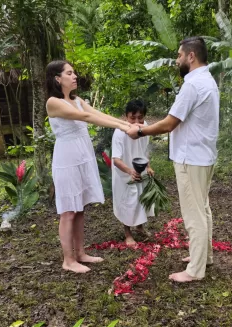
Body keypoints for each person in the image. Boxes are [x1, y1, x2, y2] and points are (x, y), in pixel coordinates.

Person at [127, 37, 220, 283]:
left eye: (179, 55)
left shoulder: (192, 85)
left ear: (191, 56)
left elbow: (169, 123)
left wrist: (140, 130)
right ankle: (203, 256)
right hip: (204, 156)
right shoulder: (208, 80)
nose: (177, 60)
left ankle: (195, 270)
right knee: (203, 208)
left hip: (192, 158)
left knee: (193, 214)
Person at [45, 60, 132, 273]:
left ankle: (81, 253)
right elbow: (86, 117)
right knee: (68, 211)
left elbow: (97, 113)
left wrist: (125, 124)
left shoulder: (77, 100)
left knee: (80, 207)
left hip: (83, 156)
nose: (74, 76)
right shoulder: (53, 102)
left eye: (74, 72)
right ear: (58, 78)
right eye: (69, 73)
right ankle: (68, 260)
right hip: (67, 160)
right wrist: (122, 126)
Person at [111, 99, 155, 246]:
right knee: (127, 202)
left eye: (140, 118)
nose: (137, 122)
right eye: (132, 118)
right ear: (125, 117)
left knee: (141, 199)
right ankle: (127, 233)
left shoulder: (145, 128)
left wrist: (148, 166)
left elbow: (145, 149)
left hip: (140, 169)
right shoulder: (119, 133)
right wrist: (130, 171)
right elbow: (116, 159)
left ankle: (140, 227)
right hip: (124, 172)